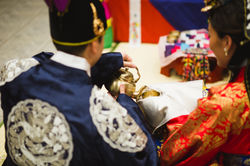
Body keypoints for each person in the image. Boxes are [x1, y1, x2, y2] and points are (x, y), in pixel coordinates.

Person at [0, 0, 158, 165]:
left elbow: (47, 62)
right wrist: (127, 106)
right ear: (95, 45)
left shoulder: (13, 72)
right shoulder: (102, 110)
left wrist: (105, 62)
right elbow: (143, 159)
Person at [159, 0, 250, 165]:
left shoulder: (224, 103)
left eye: (210, 34)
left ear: (227, 42)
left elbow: (172, 155)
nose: (209, 43)